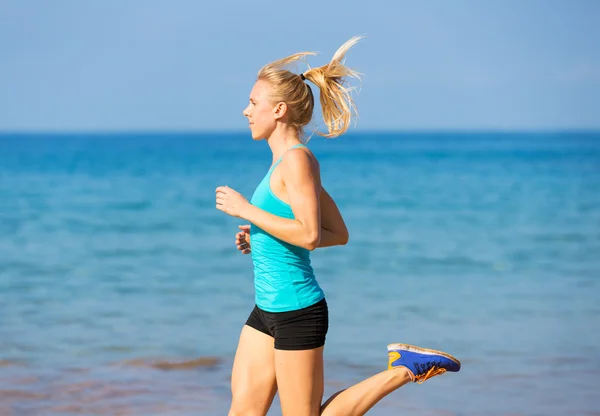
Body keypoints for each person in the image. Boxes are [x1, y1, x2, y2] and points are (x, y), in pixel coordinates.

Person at [215, 36, 461, 416]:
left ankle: (404, 369)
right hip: (266, 307)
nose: (246, 111)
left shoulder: (298, 161)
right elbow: (336, 233)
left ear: (278, 109)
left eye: (252, 102)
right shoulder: (284, 164)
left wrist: (247, 211)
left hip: (296, 310)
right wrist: (262, 236)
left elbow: (311, 236)